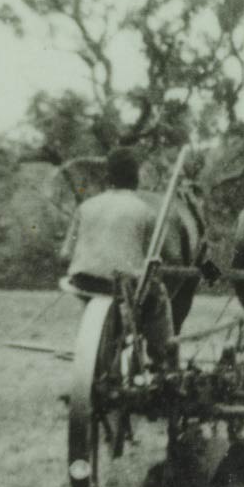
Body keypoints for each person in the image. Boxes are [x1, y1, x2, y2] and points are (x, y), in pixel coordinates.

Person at [59, 147, 177, 365]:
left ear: (108, 176)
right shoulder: (146, 212)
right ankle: (163, 356)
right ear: (136, 178)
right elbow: (160, 258)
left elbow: (65, 253)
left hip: (83, 285)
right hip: (122, 287)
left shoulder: (85, 207)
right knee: (159, 295)